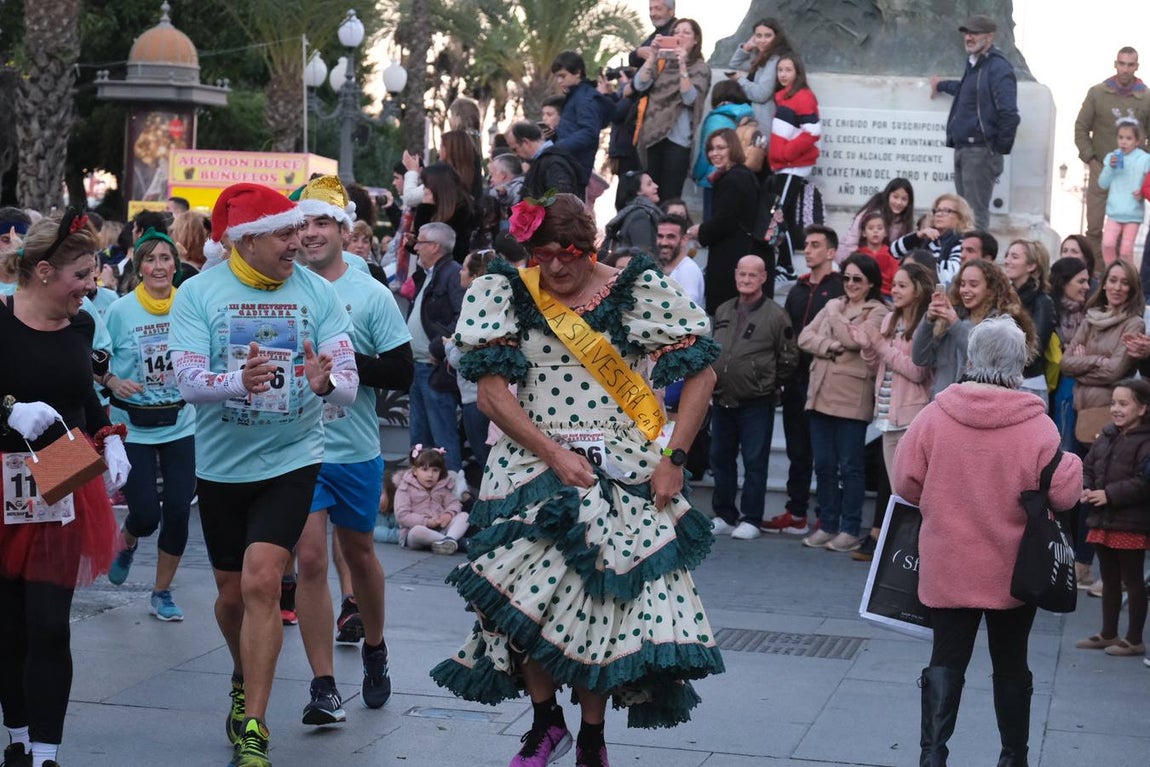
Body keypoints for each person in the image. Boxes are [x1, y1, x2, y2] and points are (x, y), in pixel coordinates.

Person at [430, 193, 723, 766]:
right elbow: (490, 393)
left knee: (595, 605)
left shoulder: (636, 288)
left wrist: (675, 458)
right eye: (543, 256)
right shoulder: (507, 289)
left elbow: (703, 373)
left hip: (618, 466)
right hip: (529, 465)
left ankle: (592, 736)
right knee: (523, 597)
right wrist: (553, 453)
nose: (556, 269)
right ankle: (546, 724)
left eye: (567, 256)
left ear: (591, 248)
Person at [168, 183, 359, 767]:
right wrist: (237, 383)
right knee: (231, 597)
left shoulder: (316, 293)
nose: (296, 240)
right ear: (245, 240)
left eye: (297, 230)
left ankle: (254, 724)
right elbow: (189, 382)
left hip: (293, 457)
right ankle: (240, 671)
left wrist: (325, 382)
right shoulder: (198, 294)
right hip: (223, 465)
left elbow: (345, 381)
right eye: (283, 232)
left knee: (261, 582)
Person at [893, 316, 1083, 767]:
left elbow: (905, 483)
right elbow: (1065, 494)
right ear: (1020, 364)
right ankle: (1013, 756)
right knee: (1011, 661)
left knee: (947, 658)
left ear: (973, 358)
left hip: (948, 561)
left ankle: (933, 755)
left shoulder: (936, 415)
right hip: (1014, 570)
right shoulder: (1036, 426)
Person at [0, 210, 130, 767]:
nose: (91, 285)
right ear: (46, 271)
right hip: (2, 471)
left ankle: (47, 750)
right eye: (82, 274)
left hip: (64, 467)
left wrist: (109, 436)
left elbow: (83, 393)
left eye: (95, 272)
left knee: (51, 621)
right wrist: (7, 409)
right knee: (10, 623)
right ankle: (18, 735)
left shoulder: (83, 324)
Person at [293, 175, 414, 726]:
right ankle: (323, 686)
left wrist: (341, 368)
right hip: (294, 449)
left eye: (321, 222)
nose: (311, 233)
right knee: (311, 558)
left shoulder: (371, 294)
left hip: (354, 447)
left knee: (360, 555)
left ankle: (375, 646)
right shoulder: (280, 289)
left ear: (343, 230)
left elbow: (402, 371)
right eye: (303, 223)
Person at [103, 229, 196, 622]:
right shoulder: (121, 310)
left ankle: (161, 592)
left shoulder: (190, 305)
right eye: (151, 259)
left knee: (177, 510)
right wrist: (111, 381)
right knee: (145, 515)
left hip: (180, 421)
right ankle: (126, 541)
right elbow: (94, 358)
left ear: (176, 265)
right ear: (139, 267)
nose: (159, 266)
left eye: (166, 258)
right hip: (133, 425)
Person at [798, 253, 889, 552]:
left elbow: (855, 341)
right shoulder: (833, 304)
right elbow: (804, 337)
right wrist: (829, 346)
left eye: (857, 279)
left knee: (850, 466)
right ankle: (828, 523)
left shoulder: (877, 311)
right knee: (823, 465)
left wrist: (835, 317)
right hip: (820, 392)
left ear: (871, 282)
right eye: (846, 278)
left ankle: (849, 527)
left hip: (852, 397)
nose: (850, 284)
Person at [709, 255, 798, 540]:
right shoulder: (723, 309)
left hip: (756, 402)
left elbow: (789, 358)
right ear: (735, 275)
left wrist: (766, 383)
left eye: (752, 275)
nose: (746, 279)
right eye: (742, 274)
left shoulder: (776, 315)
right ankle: (724, 513)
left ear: (763, 278)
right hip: (722, 398)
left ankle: (751, 518)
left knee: (754, 461)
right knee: (720, 459)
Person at [762, 225, 844, 536]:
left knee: (827, 453)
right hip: (796, 380)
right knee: (798, 450)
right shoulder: (797, 289)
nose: (807, 250)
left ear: (831, 252)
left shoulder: (839, 289)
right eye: (806, 245)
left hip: (827, 378)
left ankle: (827, 514)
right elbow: (786, 335)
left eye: (815, 245)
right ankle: (796, 512)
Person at [852, 262, 936, 560]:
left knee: (913, 490)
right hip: (886, 416)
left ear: (918, 289)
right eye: (895, 284)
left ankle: (914, 550)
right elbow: (879, 366)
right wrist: (867, 347)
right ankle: (901, 553)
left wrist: (881, 346)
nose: (895, 290)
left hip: (912, 416)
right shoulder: (890, 320)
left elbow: (917, 371)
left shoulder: (926, 323)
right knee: (897, 489)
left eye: (902, 285)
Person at [1076, 378, 1150, 657]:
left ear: (1142, 409)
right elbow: (1089, 465)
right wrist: (1086, 486)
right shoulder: (1107, 434)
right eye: (1113, 403)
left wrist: (1109, 494)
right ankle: (1108, 633)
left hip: (1130, 521)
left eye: (1123, 403)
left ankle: (1134, 639)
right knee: (1108, 577)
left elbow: (1144, 482)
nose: (1116, 409)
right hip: (1102, 518)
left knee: (1131, 579)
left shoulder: (1145, 441)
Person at [929, 15, 1019, 230]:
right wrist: (942, 85)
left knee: (974, 213)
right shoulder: (975, 64)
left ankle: (977, 261)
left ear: (989, 37)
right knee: (963, 213)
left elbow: (1010, 114)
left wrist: (995, 149)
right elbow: (966, 91)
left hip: (979, 150)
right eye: (967, 33)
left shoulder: (998, 67)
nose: (969, 37)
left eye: (975, 33)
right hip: (964, 147)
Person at [914, 258, 1033, 397]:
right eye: (962, 284)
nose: (965, 290)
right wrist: (928, 320)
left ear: (990, 289)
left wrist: (955, 324)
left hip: (978, 405)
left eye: (973, 284)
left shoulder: (1000, 325)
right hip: (943, 403)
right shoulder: (948, 320)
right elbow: (920, 358)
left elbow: (981, 359)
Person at [405, 222, 467, 489]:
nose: (415, 247)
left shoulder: (452, 274)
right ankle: (417, 501)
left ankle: (451, 498)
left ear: (434, 247)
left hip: (435, 369)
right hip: (419, 367)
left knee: (442, 439)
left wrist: (437, 348)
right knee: (420, 441)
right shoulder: (430, 273)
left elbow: (463, 318)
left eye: (420, 242)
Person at [1073, 47, 1150, 257]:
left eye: (1130, 64)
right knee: (1095, 227)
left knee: (1123, 231)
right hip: (1102, 166)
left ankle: (1119, 276)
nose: (1125, 69)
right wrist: (1090, 158)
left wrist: (1144, 165)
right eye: (1122, 63)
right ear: (1115, 64)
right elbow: (1081, 126)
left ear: (1137, 67)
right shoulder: (1098, 93)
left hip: (1132, 173)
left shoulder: (1146, 97)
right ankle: (1096, 275)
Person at [1060, 260, 1145, 446]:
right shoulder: (1091, 318)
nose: (1117, 287)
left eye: (1124, 283)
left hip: (1105, 412)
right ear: (1104, 283)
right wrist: (1097, 360)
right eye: (1113, 280)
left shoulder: (1134, 324)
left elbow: (1114, 371)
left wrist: (1080, 368)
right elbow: (1065, 364)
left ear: (1132, 289)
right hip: (1075, 407)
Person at [631, 18, 712, 200]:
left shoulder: (701, 68)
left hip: (678, 141)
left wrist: (682, 65)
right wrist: (652, 56)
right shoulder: (661, 63)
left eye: (686, 32)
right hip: (652, 135)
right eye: (676, 32)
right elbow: (640, 84)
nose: (680, 36)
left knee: (670, 196)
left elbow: (690, 98)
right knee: (648, 195)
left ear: (696, 39)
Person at [764, 53, 823, 282]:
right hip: (783, 166)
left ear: (797, 72)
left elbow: (813, 131)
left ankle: (787, 266)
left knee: (777, 214)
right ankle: (784, 264)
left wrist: (787, 153)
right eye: (780, 70)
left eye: (788, 70)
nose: (783, 74)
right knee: (781, 214)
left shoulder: (803, 97)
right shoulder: (783, 97)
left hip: (793, 166)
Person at [686, 127, 758, 313]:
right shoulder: (740, 175)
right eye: (711, 149)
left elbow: (725, 221)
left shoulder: (732, 179)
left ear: (732, 148)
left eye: (721, 148)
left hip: (730, 258)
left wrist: (700, 231)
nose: (714, 153)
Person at [691, 80, 754, 222]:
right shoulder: (746, 116)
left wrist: (696, 174)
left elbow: (706, 152)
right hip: (738, 174)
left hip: (714, 177)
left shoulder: (716, 120)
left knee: (712, 220)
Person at [1002, 239, 1055, 404]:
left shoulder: (1043, 301)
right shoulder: (1005, 297)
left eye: (1014, 256)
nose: (1007, 261)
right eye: (1007, 255)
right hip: (1004, 382)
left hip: (1028, 384)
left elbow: (1035, 349)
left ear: (1032, 266)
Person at [727, 17, 793, 145]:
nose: (762, 40)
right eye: (758, 36)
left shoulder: (775, 60)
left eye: (767, 36)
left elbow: (761, 94)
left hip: (766, 126)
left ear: (777, 37)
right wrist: (747, 47)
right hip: (758, 124)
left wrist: (740, 79)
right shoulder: (763, 59)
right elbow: (734, 64)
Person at [550, 51, 611, 184]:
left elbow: (589, 132)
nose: (559, 81)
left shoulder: (584, 98)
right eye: (557, 77)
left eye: (562, 76)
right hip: (568, 167)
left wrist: (556, 148)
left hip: (573, 170)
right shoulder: (576, 96)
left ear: (577, 72)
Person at [394, 446, 469, 554]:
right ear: (415, 471)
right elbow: (402, 515)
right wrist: (427, 522)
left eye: (435, 470)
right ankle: (450, 541)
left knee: (464, 516)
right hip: (416, 530)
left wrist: (448, 514)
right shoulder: (405, 488)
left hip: (441, 527)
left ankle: (449, 540)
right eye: (424, 469)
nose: (430, 475)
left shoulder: (442, 485)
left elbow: (454, 503)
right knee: (417, 532)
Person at [1097, 119, 1150, 267]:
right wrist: (1109, 168)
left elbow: (1149, 182)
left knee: (1126, 252)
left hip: (1133, 212)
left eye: (1128, 138)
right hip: (1114, 211)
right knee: (1107, 244)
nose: (1123, 142)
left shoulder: (1145, 159)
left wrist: (1143, 192)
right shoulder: (1112, 157)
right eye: (1120, 137)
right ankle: (1112, 272)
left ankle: (1128, 277)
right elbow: (1102, 183)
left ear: (1137, 141)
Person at [891, 193, 971, 288]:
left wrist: (917, 263)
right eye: (937, 210)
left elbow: (952, 270)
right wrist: (916, 236)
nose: (939, 214)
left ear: (960, 217)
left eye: (946, 211)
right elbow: (893, 252)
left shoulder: (962, 241)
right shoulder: (926, 238)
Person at [837, 178, 916, 263]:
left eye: (904, 199)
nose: (899, 202)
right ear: (888, 195)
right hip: (857, 261)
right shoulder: (870, 215)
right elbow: (851, 243)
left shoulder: (904, 222)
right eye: (895, 197)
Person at [506, 121, 586, 201]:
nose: (515, 154)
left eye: (515, 149)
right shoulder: (544, 161)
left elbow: (561, 201)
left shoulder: (553, 163)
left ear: (526, 142)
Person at [413, 162, 475, 264]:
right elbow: (422, 247)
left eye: (426, 185)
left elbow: (451, 251)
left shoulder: (462, 213)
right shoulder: (432, 208)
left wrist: (424, 209)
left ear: (438, 187)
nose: (423, 189)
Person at [602, 171, 661, 259]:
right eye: (649, 184)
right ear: (637, 191)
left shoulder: (635, 212)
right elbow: (644, 255)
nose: (656, 186)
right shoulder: (640, 216)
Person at [654, 214, 704, 308]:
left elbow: (687, 312)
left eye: (670, 237)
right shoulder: (661, 267)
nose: (663, 242)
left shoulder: (688, 271)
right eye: (660, 236)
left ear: (684, 239)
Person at [855, 211, 899, 298]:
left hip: (886, 295)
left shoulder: (892, 254)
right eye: (871, 228)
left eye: (879, 228)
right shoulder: (858, 255)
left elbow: (896, 277)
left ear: (885, 233)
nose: (875, 231)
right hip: (862, 295)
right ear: (864, 233)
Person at [628, 0, 677, 69]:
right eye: (650, 9)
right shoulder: (656, 33)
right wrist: (638, 53)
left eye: (658, 9)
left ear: (671, 11)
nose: (652, 13)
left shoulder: (676, 31)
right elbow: (633, 60)